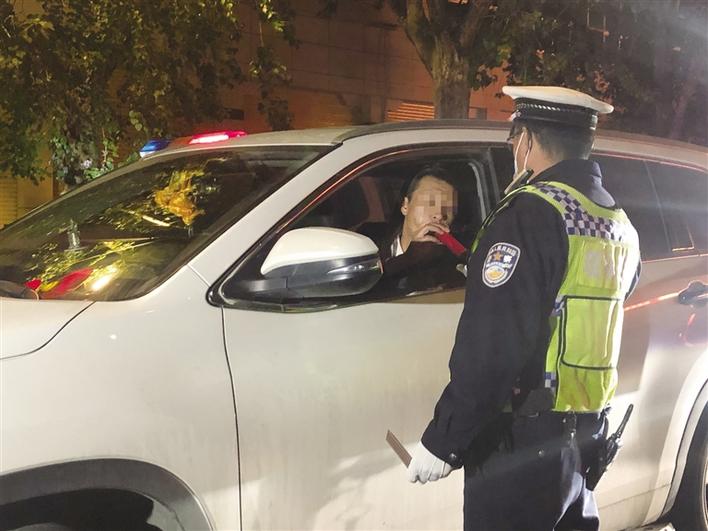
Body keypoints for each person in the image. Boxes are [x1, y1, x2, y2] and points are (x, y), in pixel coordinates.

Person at [406, 86, 642, 531]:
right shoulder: (617, 224)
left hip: (522, 445)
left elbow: (494, 347)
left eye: (513, 138)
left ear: (527, 140)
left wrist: (445, 440)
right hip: (585, 442)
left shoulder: (530, 213)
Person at [377, 165, 464, 290]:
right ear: (405, 206)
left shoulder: (457, 264)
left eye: (449, 208)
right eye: (430, 203)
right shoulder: (373, 250)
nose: (440, 214)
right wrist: (407, 260)